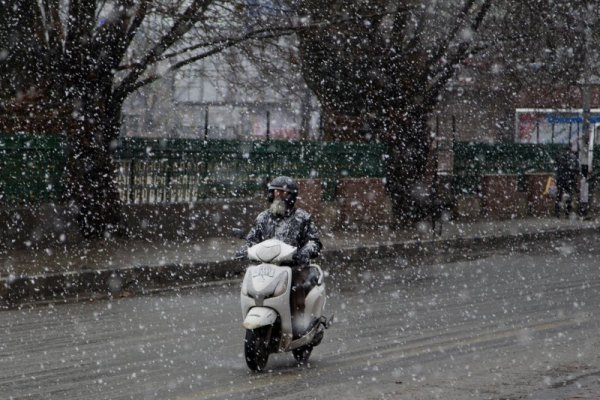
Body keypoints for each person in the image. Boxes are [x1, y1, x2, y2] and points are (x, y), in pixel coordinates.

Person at [237, 176, 322, 337]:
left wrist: (304, 252)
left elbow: (314, 241)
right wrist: (244, 249)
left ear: (291, 196)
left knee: (296, 287)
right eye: (275, 191)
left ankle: (299, 325)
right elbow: (252, 239)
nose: (278, 195)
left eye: (282, 192)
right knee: (252, 286)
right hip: (266, 267)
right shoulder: (263, 217)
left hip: (294, 266)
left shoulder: (302, 218)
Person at [555, 147, 579, 217]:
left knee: (559, 195)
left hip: (561, 179)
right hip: (569, 180)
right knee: (569, 196)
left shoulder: (560, 157)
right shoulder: (573, 158)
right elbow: (576, 170)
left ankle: (558, 212)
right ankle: (567, 213)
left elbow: (557, 169)